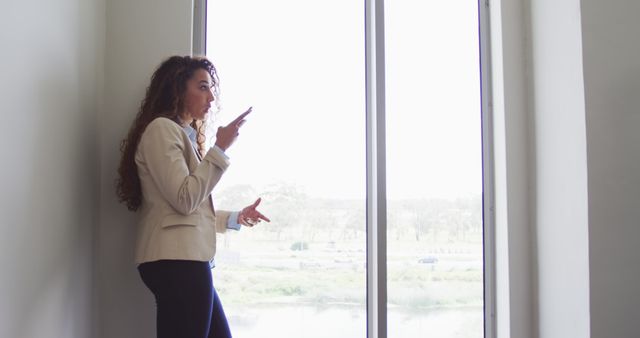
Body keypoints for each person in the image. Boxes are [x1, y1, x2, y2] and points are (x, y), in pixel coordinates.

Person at [116, 55, 270, 338]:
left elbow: (191, 207)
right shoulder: (162, 130)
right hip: (177, 263)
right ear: (177, 89)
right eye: (202, 87)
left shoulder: (182, 135)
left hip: (184, 262)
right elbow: (185, 199)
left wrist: (236, 217)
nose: (211, 97)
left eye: (211, 88)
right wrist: (220, 149)